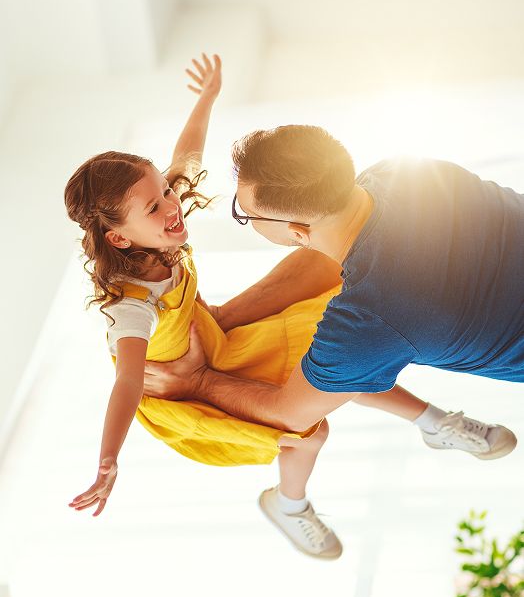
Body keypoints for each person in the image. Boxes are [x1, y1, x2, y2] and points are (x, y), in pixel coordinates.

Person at [65, 61, 515, 561]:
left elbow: (185, 156)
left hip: (201, 354)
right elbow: (128, 381)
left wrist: (206, 100)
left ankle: (431, 423)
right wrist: (110, 459)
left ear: (298, 231)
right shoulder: (131, 305)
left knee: (326, 353)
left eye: (166, 192)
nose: (172, 203)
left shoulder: (368, 315)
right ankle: (290, 503)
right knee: (307, 432)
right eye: (156, 204)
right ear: (119, 237)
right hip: (170, 381)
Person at [140, 124, 521, 465]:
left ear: (296, 231)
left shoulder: (369, 318)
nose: (245, 218)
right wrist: (223, 318)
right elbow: (337, 255)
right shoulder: (409, 174)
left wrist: (198, 381)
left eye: (246, 213)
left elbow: (290, 413)